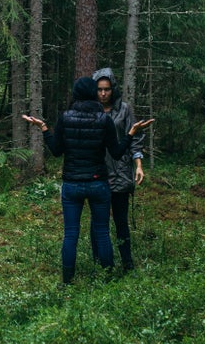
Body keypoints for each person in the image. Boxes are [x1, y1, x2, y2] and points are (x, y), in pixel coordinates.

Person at [23, 76, 153, 284]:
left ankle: (67, 281)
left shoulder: (66, 118)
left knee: (71, 234)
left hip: (72, 183)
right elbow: (118, 153)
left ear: (76, 94)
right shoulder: (103, 119)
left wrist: (45, 129)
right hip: (98, 183)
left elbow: (56, 151)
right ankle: (107, 278)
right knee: (102, 232)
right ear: (93, 93)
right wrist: (131, 134)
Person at [92, 67, 144, 272]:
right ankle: (100, 263)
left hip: (121, 172)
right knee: (98, 221)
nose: (103, 93)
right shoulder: (90, 109)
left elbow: (135, 139)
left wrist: (138, 164)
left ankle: (127, 262)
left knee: (121, 221)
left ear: (113, 89)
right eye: (99, 89)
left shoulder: (124, 109)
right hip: (97, 173)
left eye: (107, 89)